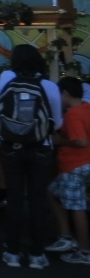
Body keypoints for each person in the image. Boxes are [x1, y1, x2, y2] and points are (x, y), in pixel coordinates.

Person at [0, 44, 63, 269]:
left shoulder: (6, 78)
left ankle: (12, 252)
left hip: (9, 148)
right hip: (40, 148)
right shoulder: (49, 86)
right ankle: (37, 254)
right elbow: (57, 123)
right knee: (37, 199)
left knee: (14, 197)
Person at [45, 76, 90, 264]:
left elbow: (81, 141)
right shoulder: (86, 109)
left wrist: (60, 141)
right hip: (83, 165)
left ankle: (84, 250)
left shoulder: (73, 114)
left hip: (74, 166)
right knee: (52, 192)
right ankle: (66, 236)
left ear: (65, 93)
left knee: (76, 207)